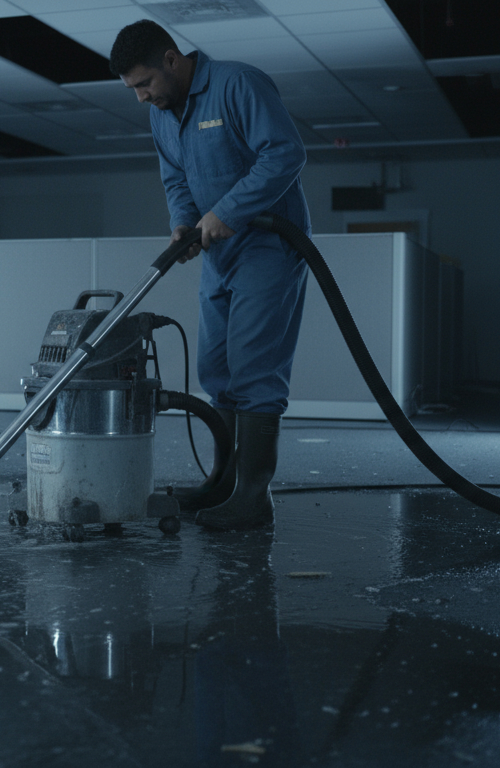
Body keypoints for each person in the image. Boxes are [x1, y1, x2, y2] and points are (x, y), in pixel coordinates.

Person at [110, 20, 312, 531]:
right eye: (133, 89)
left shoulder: (237, 84)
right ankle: (223, 483)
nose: (141, 97)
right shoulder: (161, 114)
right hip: (219, 253)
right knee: (216, 367)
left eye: (144, 83)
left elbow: (285, 152)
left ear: (171, 60)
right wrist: (183, 223)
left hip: (268, 245)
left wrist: (228, 212)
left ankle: (253, 496)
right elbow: (175, 178)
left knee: (253, 368)